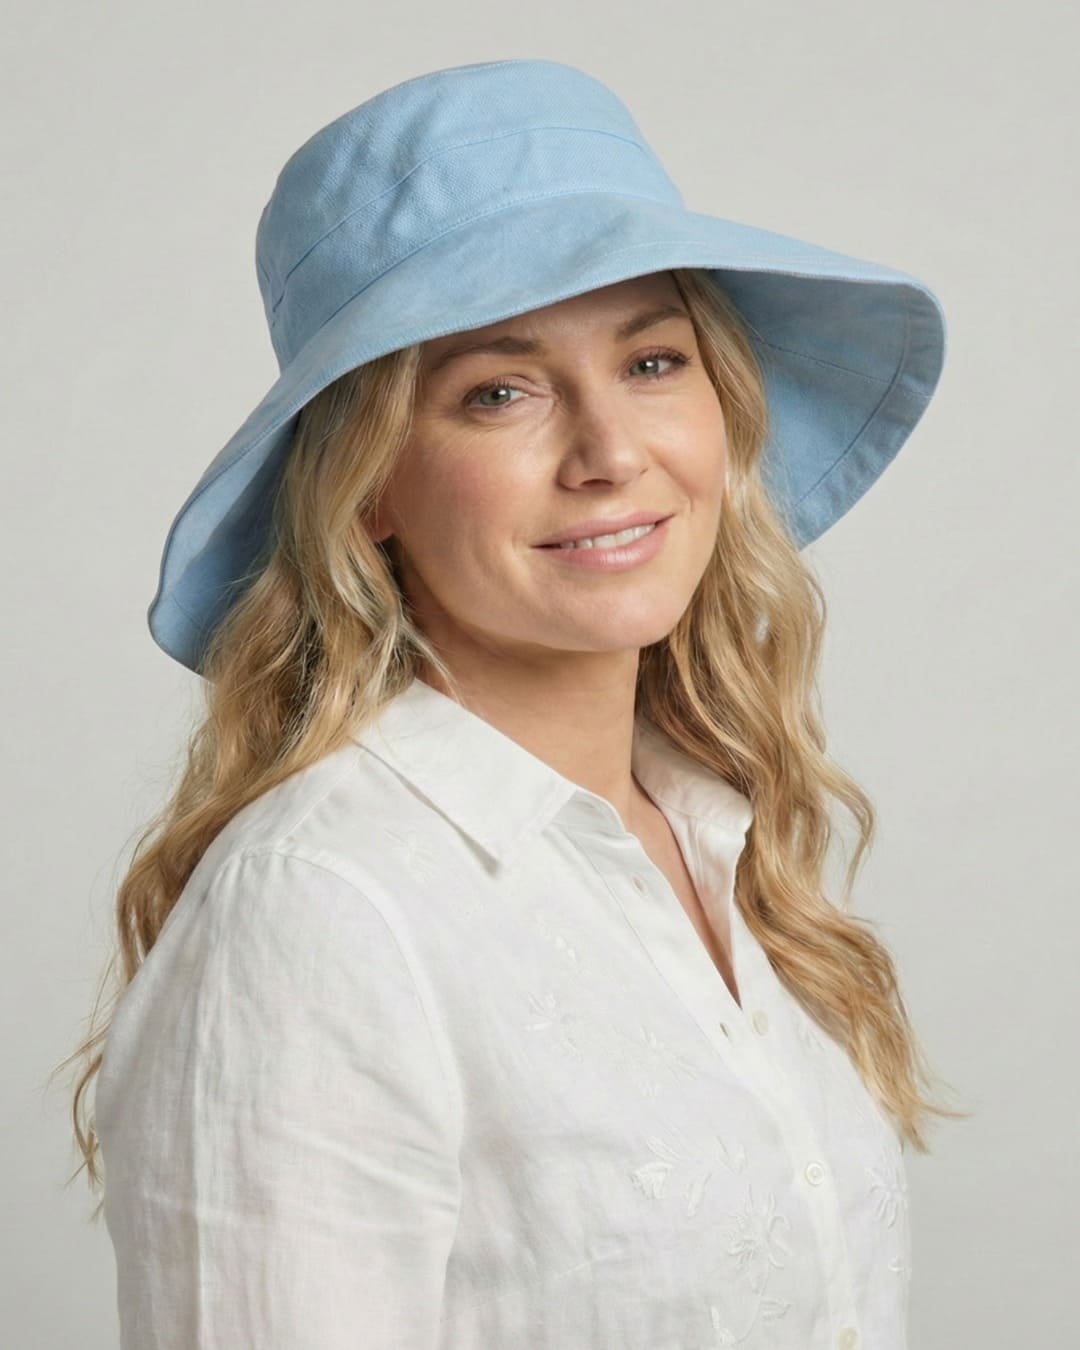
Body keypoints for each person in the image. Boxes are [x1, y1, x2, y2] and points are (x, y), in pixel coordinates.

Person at [61, 58, 967, 1349]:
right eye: (501, 389)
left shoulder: (711, 829)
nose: (611, 452)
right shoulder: (324, 907)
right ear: (369, 486)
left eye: (654, 359)